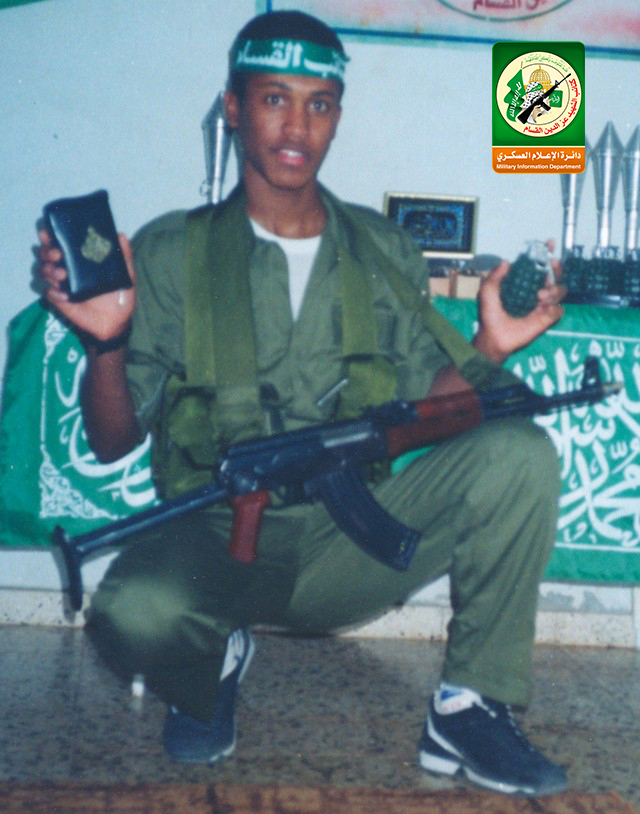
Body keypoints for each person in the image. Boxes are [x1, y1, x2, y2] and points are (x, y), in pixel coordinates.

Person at [39, 10, 569, 797]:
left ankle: (468, 708)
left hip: (352, 541)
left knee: (519, 451)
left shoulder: (381, 249)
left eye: (318, 104)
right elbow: (112, 439)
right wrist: (106, 344)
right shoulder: (172, 250)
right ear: (232, 107)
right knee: (131, 615)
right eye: (273, 99)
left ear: (338, 116)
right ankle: (212, 661)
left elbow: (428, 406)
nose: (297, 127)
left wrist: (490, 347)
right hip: (217, 541)